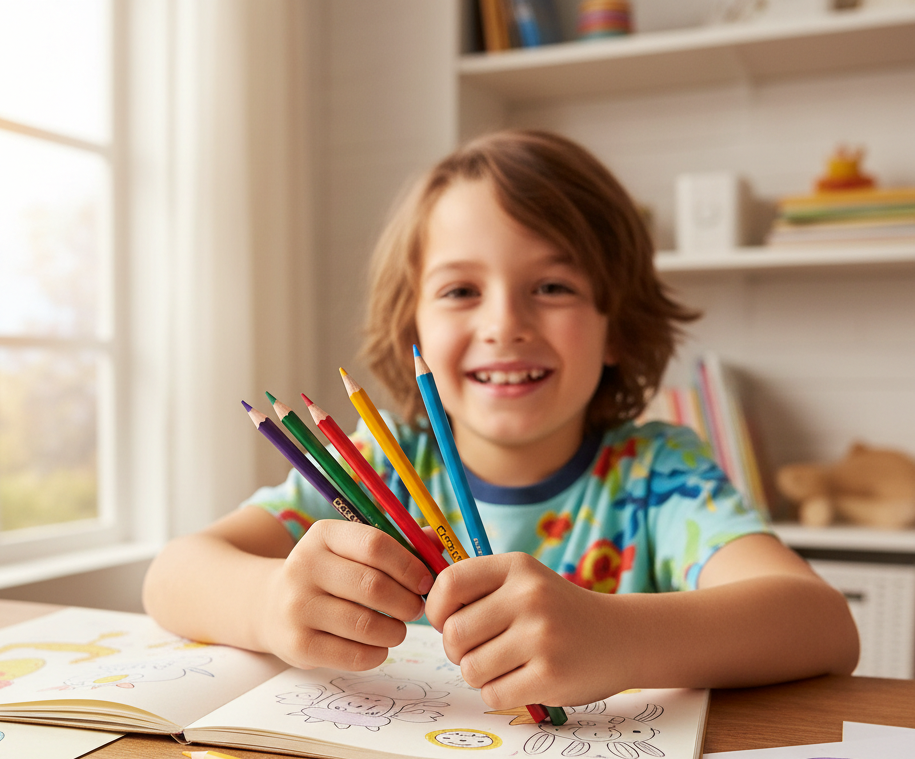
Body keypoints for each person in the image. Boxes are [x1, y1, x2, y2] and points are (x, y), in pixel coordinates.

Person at [143, 129, 858, 708]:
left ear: (616, 326)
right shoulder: (383, 468)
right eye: (460, 290)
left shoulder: (658, 475)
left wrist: (618, 638)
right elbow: (172, 577)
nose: (505, 324)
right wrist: (270, 602)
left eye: (552, 286)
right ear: (411, 331)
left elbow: (822, 626)